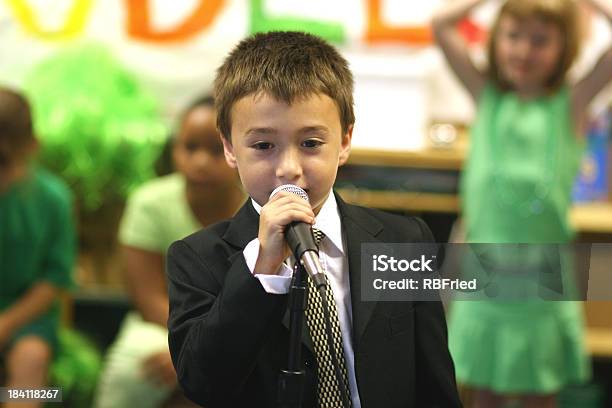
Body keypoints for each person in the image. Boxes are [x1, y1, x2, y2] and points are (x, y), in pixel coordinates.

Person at [166, 31, 462, 408]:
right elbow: (204, 382)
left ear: (344, 141)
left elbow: (433, 377)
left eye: (310, 143)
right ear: (229, 147)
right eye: (263, 146)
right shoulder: (197, 258)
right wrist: (263, 270)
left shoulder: (400, 240)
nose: (289, 169)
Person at [432, 0, 612, 407]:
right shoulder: (489, 98)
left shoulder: (572, 104)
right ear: (497, 40)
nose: (524, 51)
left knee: (538, 394)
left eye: (540, 40)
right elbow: (442, 26)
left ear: (563, 47)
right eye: (513, 36)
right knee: (484, 395)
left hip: (542, 280)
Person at [93, 95, 244, 408]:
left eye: (215, 150)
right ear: (174, 149)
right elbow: (148, 298)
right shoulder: (150, 203)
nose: (200, 162)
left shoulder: (259, 211)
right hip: (160, 325)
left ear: (236, 151)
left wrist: (205, 351)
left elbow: (253, 302)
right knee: (134, 369)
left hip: (237, 330)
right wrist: (190, 347)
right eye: (190, 148)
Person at [0, 87, 76, 408]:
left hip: (26, 317)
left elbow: (54, 279)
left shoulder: (52, 198)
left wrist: (5, 324)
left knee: (31, 364)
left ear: (32, 146)